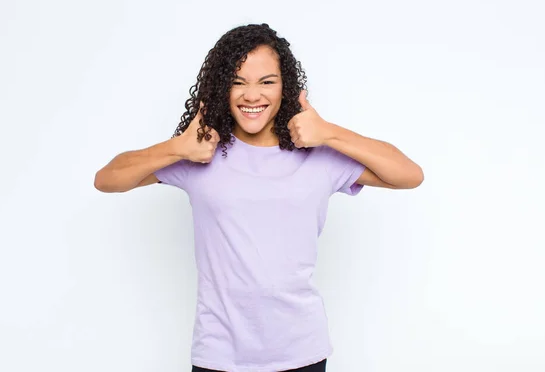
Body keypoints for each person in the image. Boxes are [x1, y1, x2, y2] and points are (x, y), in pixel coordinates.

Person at [94, 23, 424, 372]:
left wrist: (329, 132)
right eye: (238, 82)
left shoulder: (318, 157)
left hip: (302, 352)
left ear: (286, 87)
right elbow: (108, 179)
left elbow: (408, 174)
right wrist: (176, 147)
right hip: (219, 355)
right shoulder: (199, 155)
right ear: (222, 88)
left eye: (267, 82)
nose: (253, 96)